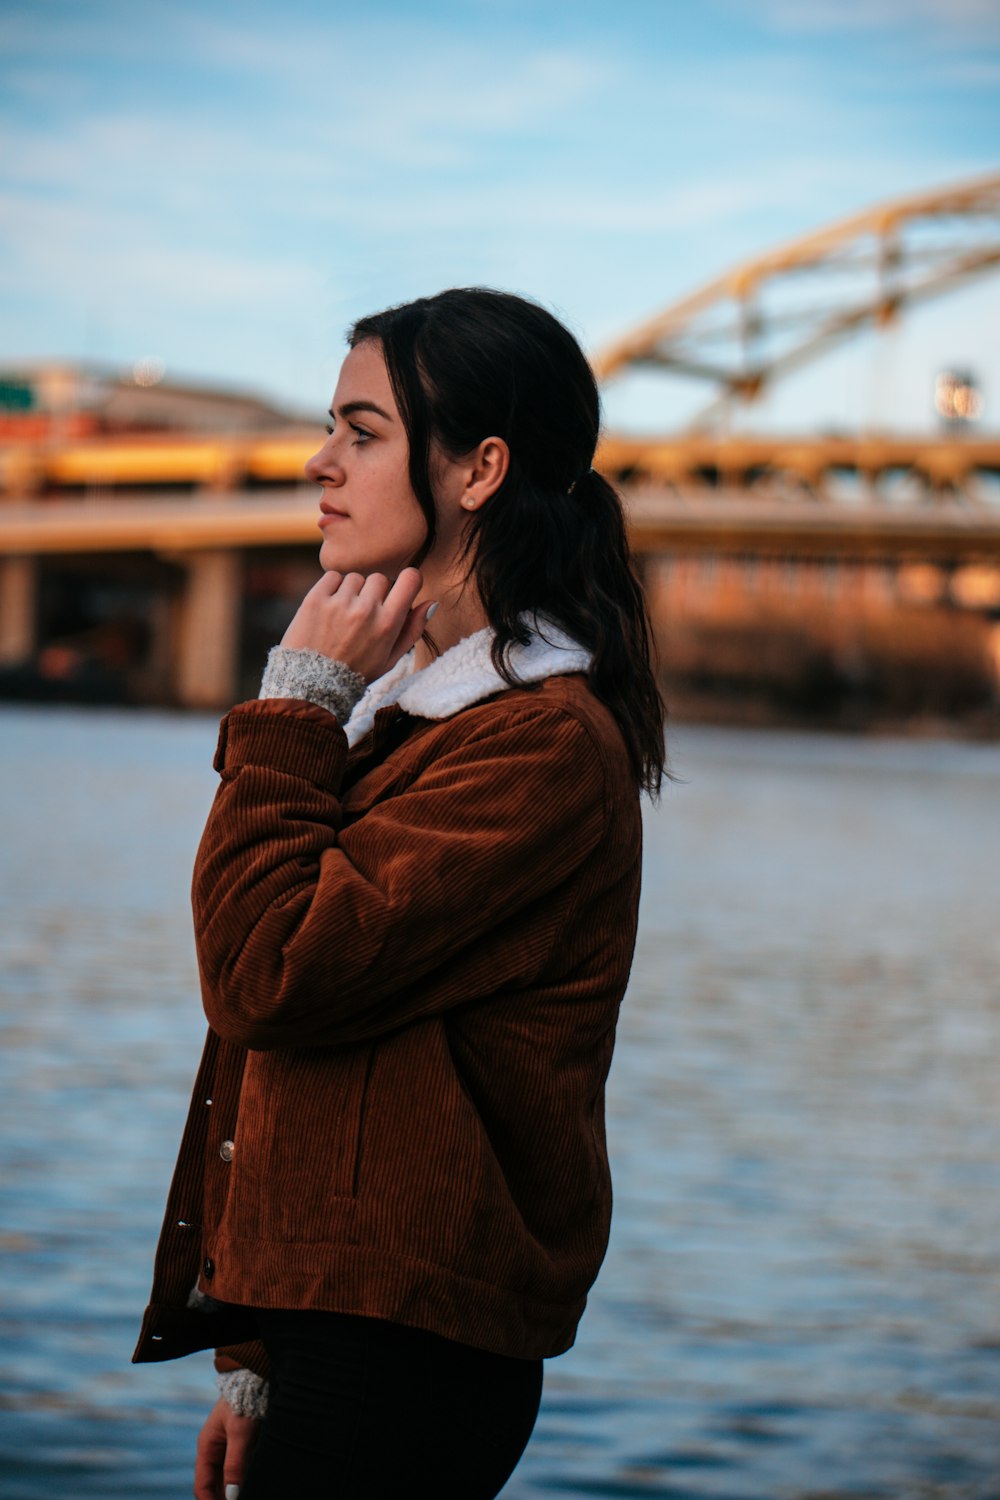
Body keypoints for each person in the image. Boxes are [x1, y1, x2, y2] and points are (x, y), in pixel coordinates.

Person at [133, 287, 665, 1499]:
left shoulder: (535, 746)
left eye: (362, 432)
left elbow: (268, 971)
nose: (320, 462)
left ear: (478, 468)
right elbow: (323, 1075)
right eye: (332, 427)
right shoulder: (415, 719)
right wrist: (255, 1358)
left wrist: (295, 703)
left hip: (409, 1358)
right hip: (342, 1334)